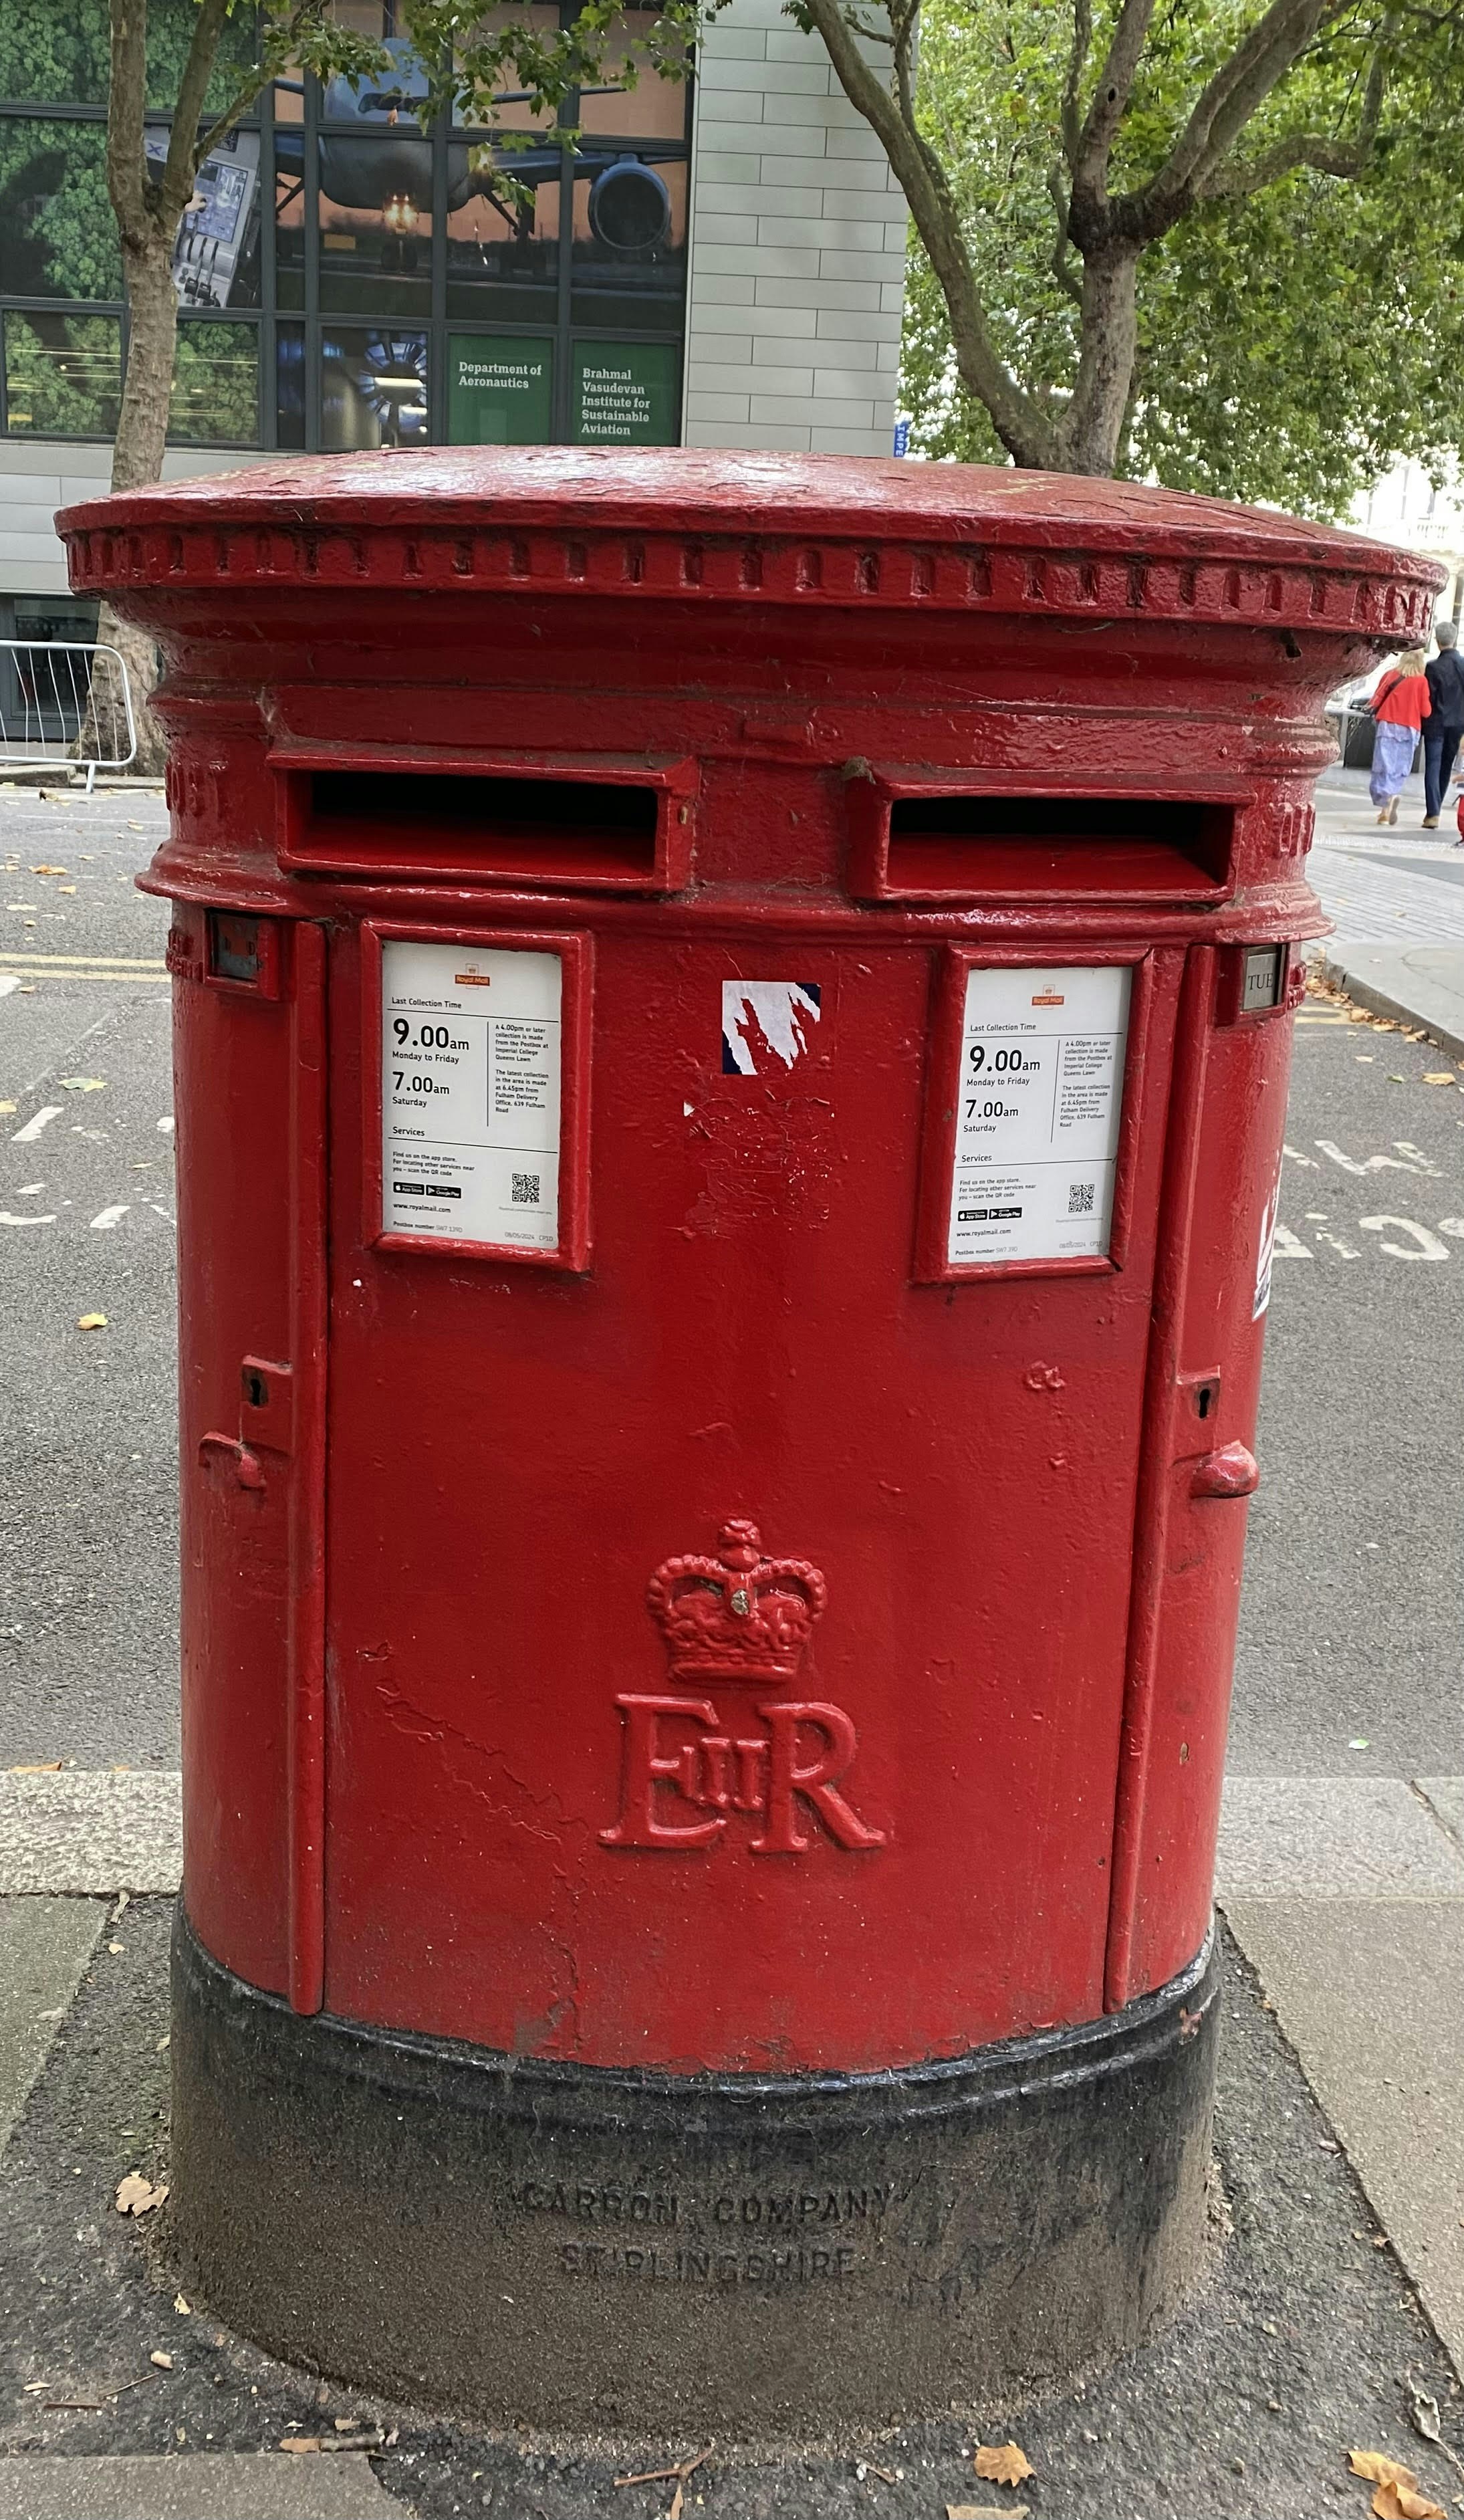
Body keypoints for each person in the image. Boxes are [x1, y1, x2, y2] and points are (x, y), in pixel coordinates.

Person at [1368, 648, 1430, 824]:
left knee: (1383, 764)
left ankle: (1384, 807)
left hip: (1387, 723)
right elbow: (1426, 711)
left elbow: (1376, 699)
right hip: (1410, 728)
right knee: (1400, 767)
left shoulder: (1390, 675)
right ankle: (1392, 796)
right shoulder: (1422, 681)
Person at [1423, 620, 1464, 825]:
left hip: (1435, 722)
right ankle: (1435, 808)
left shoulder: (1433, 667)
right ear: (1454, 639)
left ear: (1438, 642)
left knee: (1433, 764)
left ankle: (1433, 812)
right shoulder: (1463, 665)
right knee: (1446, 765)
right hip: (1458, 724)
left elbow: (1429, 697)